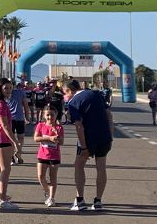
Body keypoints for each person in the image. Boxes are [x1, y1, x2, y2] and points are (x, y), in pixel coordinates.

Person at [63, 79, 114, 211]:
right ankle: (98, 201)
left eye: (65, 93)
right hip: (104, 137)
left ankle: (79, 200)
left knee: (79, 165)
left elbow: (79, 126)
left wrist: (84, 147)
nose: (65, 97)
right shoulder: (97, 94)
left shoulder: (73, 102)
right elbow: (109, 115)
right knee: (101, 167)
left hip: (88, 137)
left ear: (69, 90)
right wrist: (110, 135)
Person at [0, 78, 18, 209]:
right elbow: (5, 125)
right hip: (2, 138)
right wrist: (15, 141)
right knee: (5, 169)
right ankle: (2, 199)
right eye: (6, 88)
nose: (8, 91)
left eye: (10, 88)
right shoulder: (1, 104)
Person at [34, 106, 64, 207]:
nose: (50, 117)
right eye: (47, 115)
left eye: (52, 115)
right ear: (44, 115)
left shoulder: (59, 128)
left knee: (53, 177)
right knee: (40, 176)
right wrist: (49, 138)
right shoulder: (40, 125)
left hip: (54, 156)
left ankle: (51, 198)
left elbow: (61, 142)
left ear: (56, 115)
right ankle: (47, 191)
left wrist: (56, 136)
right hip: (42, 154)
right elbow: (36, 138)